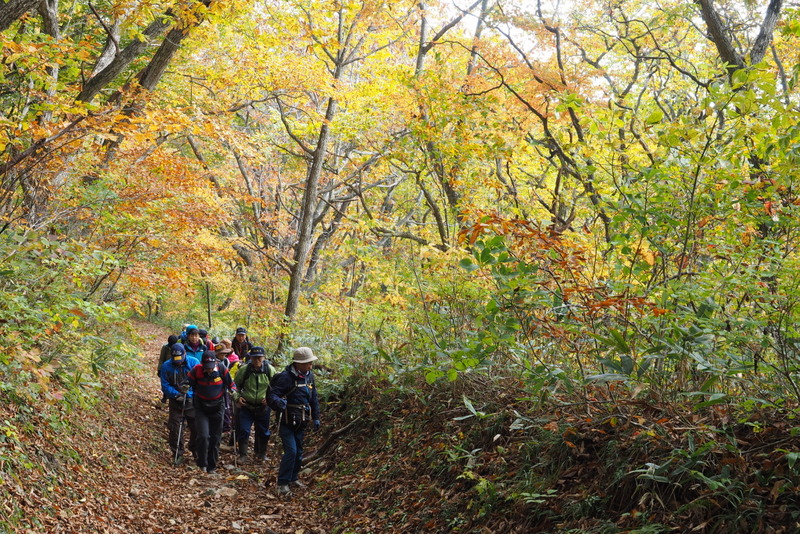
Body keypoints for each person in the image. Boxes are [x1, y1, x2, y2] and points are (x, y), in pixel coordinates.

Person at [268, 347, 321, 495]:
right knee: (291, 451)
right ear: (298, 363)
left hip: (302, 420)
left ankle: (293, 478)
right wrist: (279, 403)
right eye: (307, 363)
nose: (310, 366)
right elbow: (273, 395)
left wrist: (316, 417)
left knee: (299, 452)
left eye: (310, 363)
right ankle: (282, 483)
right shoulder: (286, 377)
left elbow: (314, 398)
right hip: (287, 420)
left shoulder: (309, 376)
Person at [188, 350, 237, 474]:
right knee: (203, 436)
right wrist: (184, 387)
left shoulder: (221, 369)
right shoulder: (196, 370)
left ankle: (212, 466)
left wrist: (233, 391)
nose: (209, 370)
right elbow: (188, 382)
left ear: (215, 363)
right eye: (206, 368)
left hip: (217, 407)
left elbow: (231, 384)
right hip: (201, 408)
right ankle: (202, 464)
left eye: (211, 367)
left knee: (215, 438)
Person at [233, 346, 276, 464]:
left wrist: (269, 399)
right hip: (246, 406)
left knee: (263, 431)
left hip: (263, 407)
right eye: (254, 358)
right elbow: (234, 386)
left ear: (263, 358)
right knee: (244, 430)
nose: (257, 360)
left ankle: (260, 454)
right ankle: (243, 455)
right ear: (250, 358)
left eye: (259, 358)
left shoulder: (270, 370)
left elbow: (277, 388)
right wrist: (237, 397)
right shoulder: (244, 370)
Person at [160, 343, 200, 464]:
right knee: (175, 427)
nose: (178, 361)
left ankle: (195, 449)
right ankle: (178, 452)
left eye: (180, 358)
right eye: (175, 358)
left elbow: (199, 381)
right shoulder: (166, 366)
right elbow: (165, 385)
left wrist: (191, 395)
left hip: (192, 401)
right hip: (175, 401)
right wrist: (176, 394)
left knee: (196, 428)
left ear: (185, 354)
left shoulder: (194, 363)